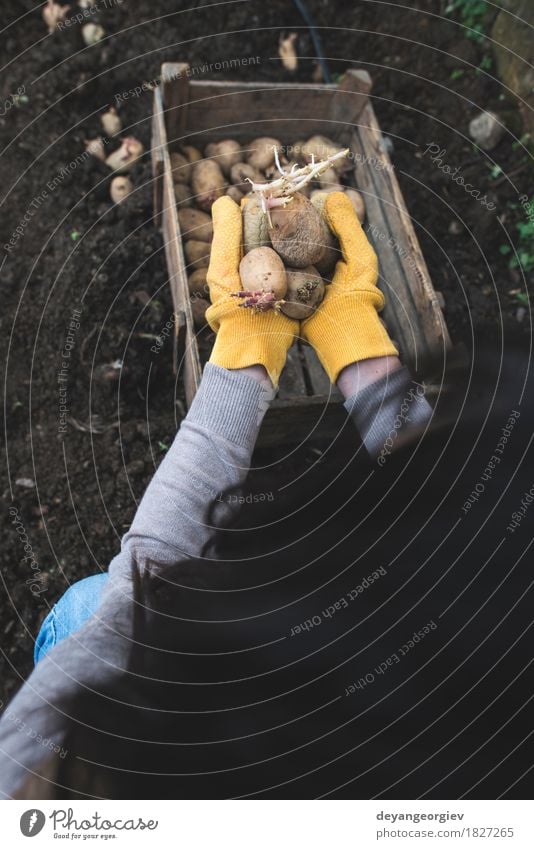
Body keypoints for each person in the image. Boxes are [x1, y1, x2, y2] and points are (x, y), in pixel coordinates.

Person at [0, 195, 531, 799]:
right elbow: (447, 511)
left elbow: (142, 589)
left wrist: (243, 350)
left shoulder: (39, 776)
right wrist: (355, 343)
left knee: (87, 607)